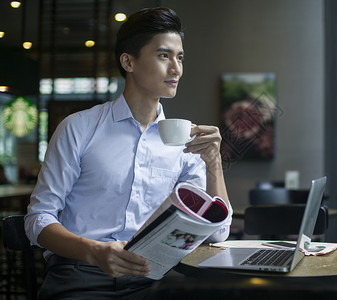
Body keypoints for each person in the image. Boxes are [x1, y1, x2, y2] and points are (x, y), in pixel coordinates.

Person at [24, 7, 232, 299]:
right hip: (81, 275)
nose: (176, 69)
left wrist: (214, 162)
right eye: (163, 55)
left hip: (153, 279)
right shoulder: (79, 128)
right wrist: (94, 252)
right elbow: (38, 219)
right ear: (128, 61)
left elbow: (216, 233)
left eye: (180, 57)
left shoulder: (186, 140)